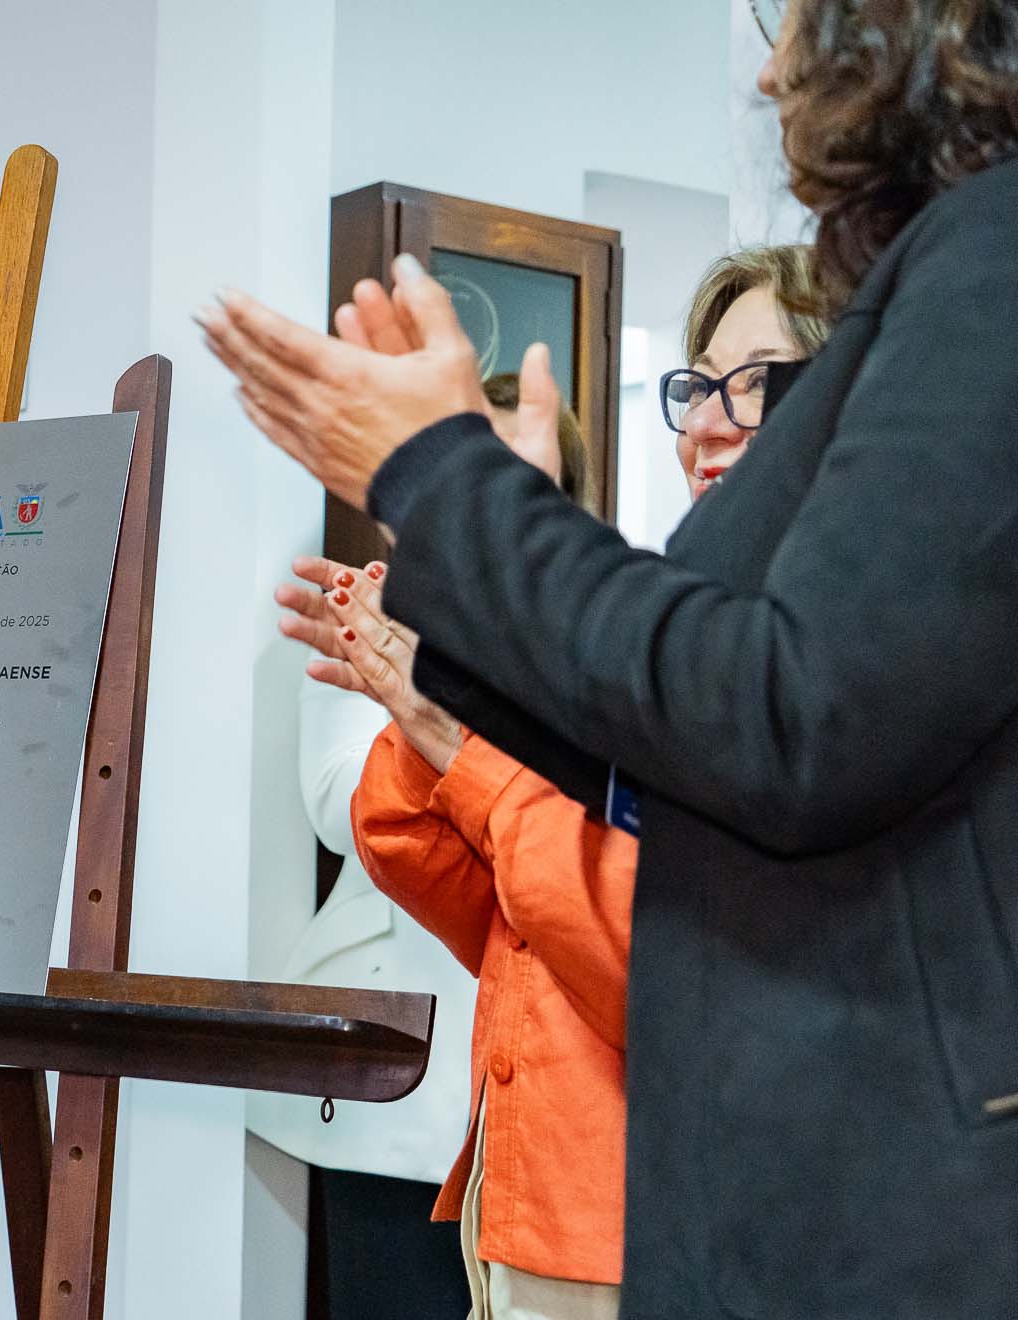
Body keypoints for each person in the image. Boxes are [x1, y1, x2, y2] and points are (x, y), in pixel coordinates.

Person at [205, 2, 1018, 1312]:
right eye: (694, 385)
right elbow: (657, 770)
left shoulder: (992, 256)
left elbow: (787, 721)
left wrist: (451, 493)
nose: (770, 67)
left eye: (799, 14)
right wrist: (464, 613)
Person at [254, 373, 580, 1320]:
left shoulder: (594, 631)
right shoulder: (362, 616)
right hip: (397, 1085)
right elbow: (341, 808)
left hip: (561, 1083)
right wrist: (419, 684)